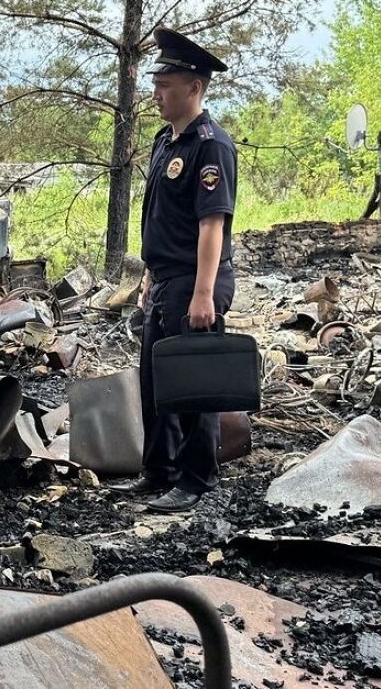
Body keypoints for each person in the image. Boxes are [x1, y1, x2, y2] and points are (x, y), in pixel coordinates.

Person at [112, 28, 237, 513]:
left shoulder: (211, 147)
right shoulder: (166, 141)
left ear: (195, 87)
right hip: (165, 280)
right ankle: (158, 472)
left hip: (196, 280)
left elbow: (212, 226)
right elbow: (158, 219)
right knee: (155, 382)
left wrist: (203, 294)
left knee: (194, 386)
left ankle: (195, 479)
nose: (157, 93)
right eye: (156, 82)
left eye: (167, 84)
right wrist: (147, 279)